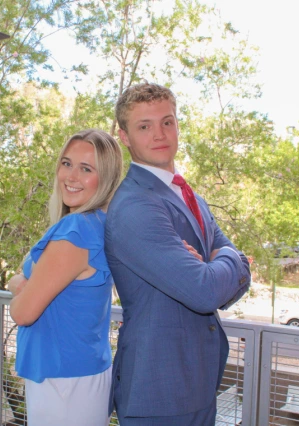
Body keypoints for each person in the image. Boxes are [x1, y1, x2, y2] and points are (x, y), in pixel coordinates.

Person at [105, 83, 252, 425]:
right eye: (144, 126)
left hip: (197, 382)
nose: (159, 134)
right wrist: (231, 259)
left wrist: (219, 263)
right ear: (124, 137)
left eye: (167, 122)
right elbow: (205, 291)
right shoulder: (135, 205)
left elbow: (232, 278)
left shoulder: (188, 195)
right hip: (159, 389)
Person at [8, 129, 123, 426]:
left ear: (106, 179)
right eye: (67, 163)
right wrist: (25, 283)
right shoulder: (99, 224)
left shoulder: (76, 230)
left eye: (86, 169)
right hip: (78, 374)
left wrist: (21, 285)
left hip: (63, 382)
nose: (71, 176)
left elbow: (22, 312)